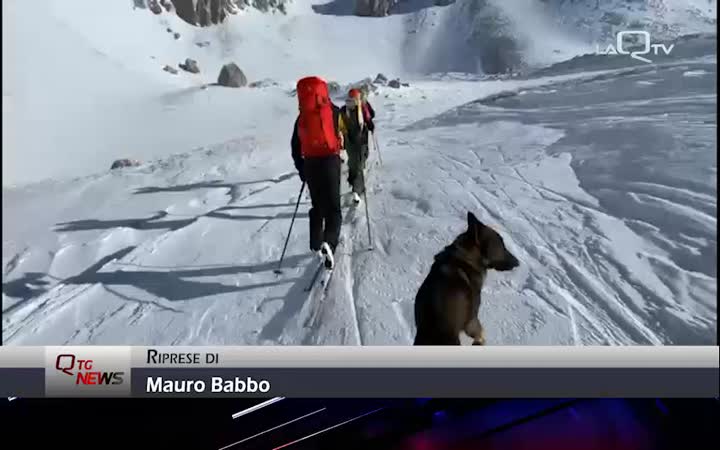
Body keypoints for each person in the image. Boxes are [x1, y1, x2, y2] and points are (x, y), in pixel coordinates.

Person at [291, 76, 344, 269]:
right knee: (334, 210)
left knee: (318, 206)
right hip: (330, 161)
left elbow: (295, 147)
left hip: (311, 164)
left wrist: (302, 169)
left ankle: (315, 244)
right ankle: (329, 245)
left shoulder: (302, 117)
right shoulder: (334, 111)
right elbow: (342, 135)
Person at [338, 88, 375, 205]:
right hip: (360, 141)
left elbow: (338, 126)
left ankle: (353, 182)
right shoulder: (361, 108)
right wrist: (371, 126)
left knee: (355, 164)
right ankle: (357, 190)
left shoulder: (343, 110)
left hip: (350, 142)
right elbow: (370, 118)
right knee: (358, 165)